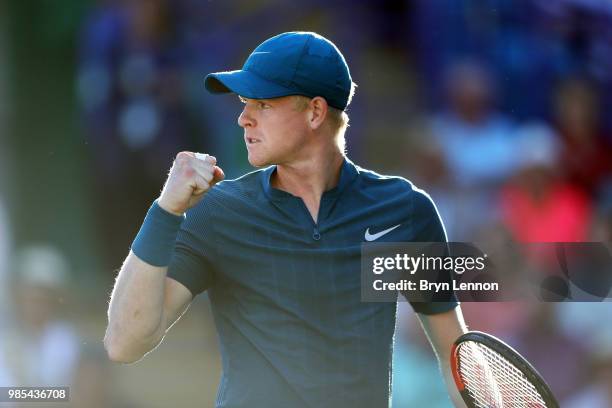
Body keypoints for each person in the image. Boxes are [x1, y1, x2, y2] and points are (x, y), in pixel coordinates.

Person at [104, 31, 468, 408]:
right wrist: (165, 211)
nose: (244, 118)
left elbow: (454, 357)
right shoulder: (217, 211)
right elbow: (124, 342)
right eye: (245, 103)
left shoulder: (405, 211)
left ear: (314, 112)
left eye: (262, 104)